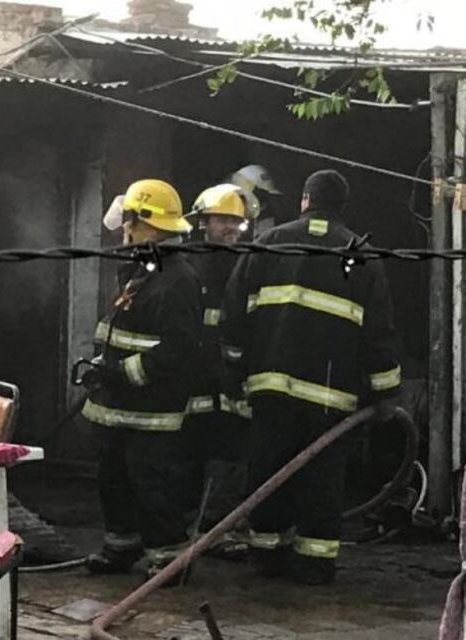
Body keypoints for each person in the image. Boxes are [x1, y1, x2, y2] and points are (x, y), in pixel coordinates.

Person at [220, 169, 401, 584]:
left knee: (268, 471)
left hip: (269, 391)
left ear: (305, 199)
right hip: (331, 400)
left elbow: (234, 316)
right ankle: (316, 564)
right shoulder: (360, 257)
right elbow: (380, 334)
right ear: (341, 207)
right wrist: (386, 394)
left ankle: (266, 557)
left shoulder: (268, 243)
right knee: (322, 479)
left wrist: (235, 370)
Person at [83, 178, 203, 578]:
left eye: (130, 222)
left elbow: (178, 350)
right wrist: (104, 370)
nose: (123, 230)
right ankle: (122, 545)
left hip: (151, 409)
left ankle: (169, 558)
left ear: (150, 224)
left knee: (152, 484)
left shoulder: (178, 279)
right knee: (112, 478)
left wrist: (123, 373)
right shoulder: (142, 270)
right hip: (117, 406)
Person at [183, 184, 254, 557]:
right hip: (193, 376)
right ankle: (191, 526)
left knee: (230, 451)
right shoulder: (186, 262)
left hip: (229, 375)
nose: (230, 228)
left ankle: (218, 528)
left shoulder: (246, 262)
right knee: (189, 452)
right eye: (223, 220)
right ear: (203, 222)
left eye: (236, 222)